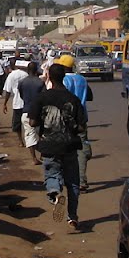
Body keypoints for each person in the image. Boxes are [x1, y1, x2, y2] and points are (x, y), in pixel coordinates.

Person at [27, 64, 86, 231]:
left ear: (49, 77)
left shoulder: (42, 98)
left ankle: (55, 193)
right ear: (63, 78)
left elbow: (32, 122)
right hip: (69, 146)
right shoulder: (73, 99)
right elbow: (82, 127)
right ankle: (72, 217)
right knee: (73, 182)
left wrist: (43, 123)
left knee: (52, 174)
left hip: (49, 145)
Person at [57, 55, 94, 191]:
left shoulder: (64, 80)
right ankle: (82, 180)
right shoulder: (82, 79)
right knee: (82, 148)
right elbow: (89, 96)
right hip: (82, 117)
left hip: (67, 118)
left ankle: (65, 178)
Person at [18, 60, 46, 164]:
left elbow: (21, 95)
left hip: (26, 111)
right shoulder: (40, 82)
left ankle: (34, 158)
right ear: (36, 70)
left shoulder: (22, 82)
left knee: (29, 134)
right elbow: (44, 96)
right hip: (39, 112)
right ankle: (43, 154)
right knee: (42, 133)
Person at [1, 59, 28, 136]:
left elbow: (8, 91)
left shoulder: (11, 75)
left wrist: (5, 103)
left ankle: (20, 141)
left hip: (17, 103)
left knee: (17, 124)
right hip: (26, 102)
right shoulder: (25, 74)